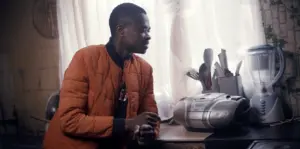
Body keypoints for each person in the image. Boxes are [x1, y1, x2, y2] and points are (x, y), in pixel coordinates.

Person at [43, 3, 160, 149]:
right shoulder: (84, 58)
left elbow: (150, 117)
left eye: (149, 31)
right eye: (143, 30)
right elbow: (69, 121)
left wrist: (147, 132)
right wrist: (128, 123)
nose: (148, 36)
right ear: (121, 30)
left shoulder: (145, 69)